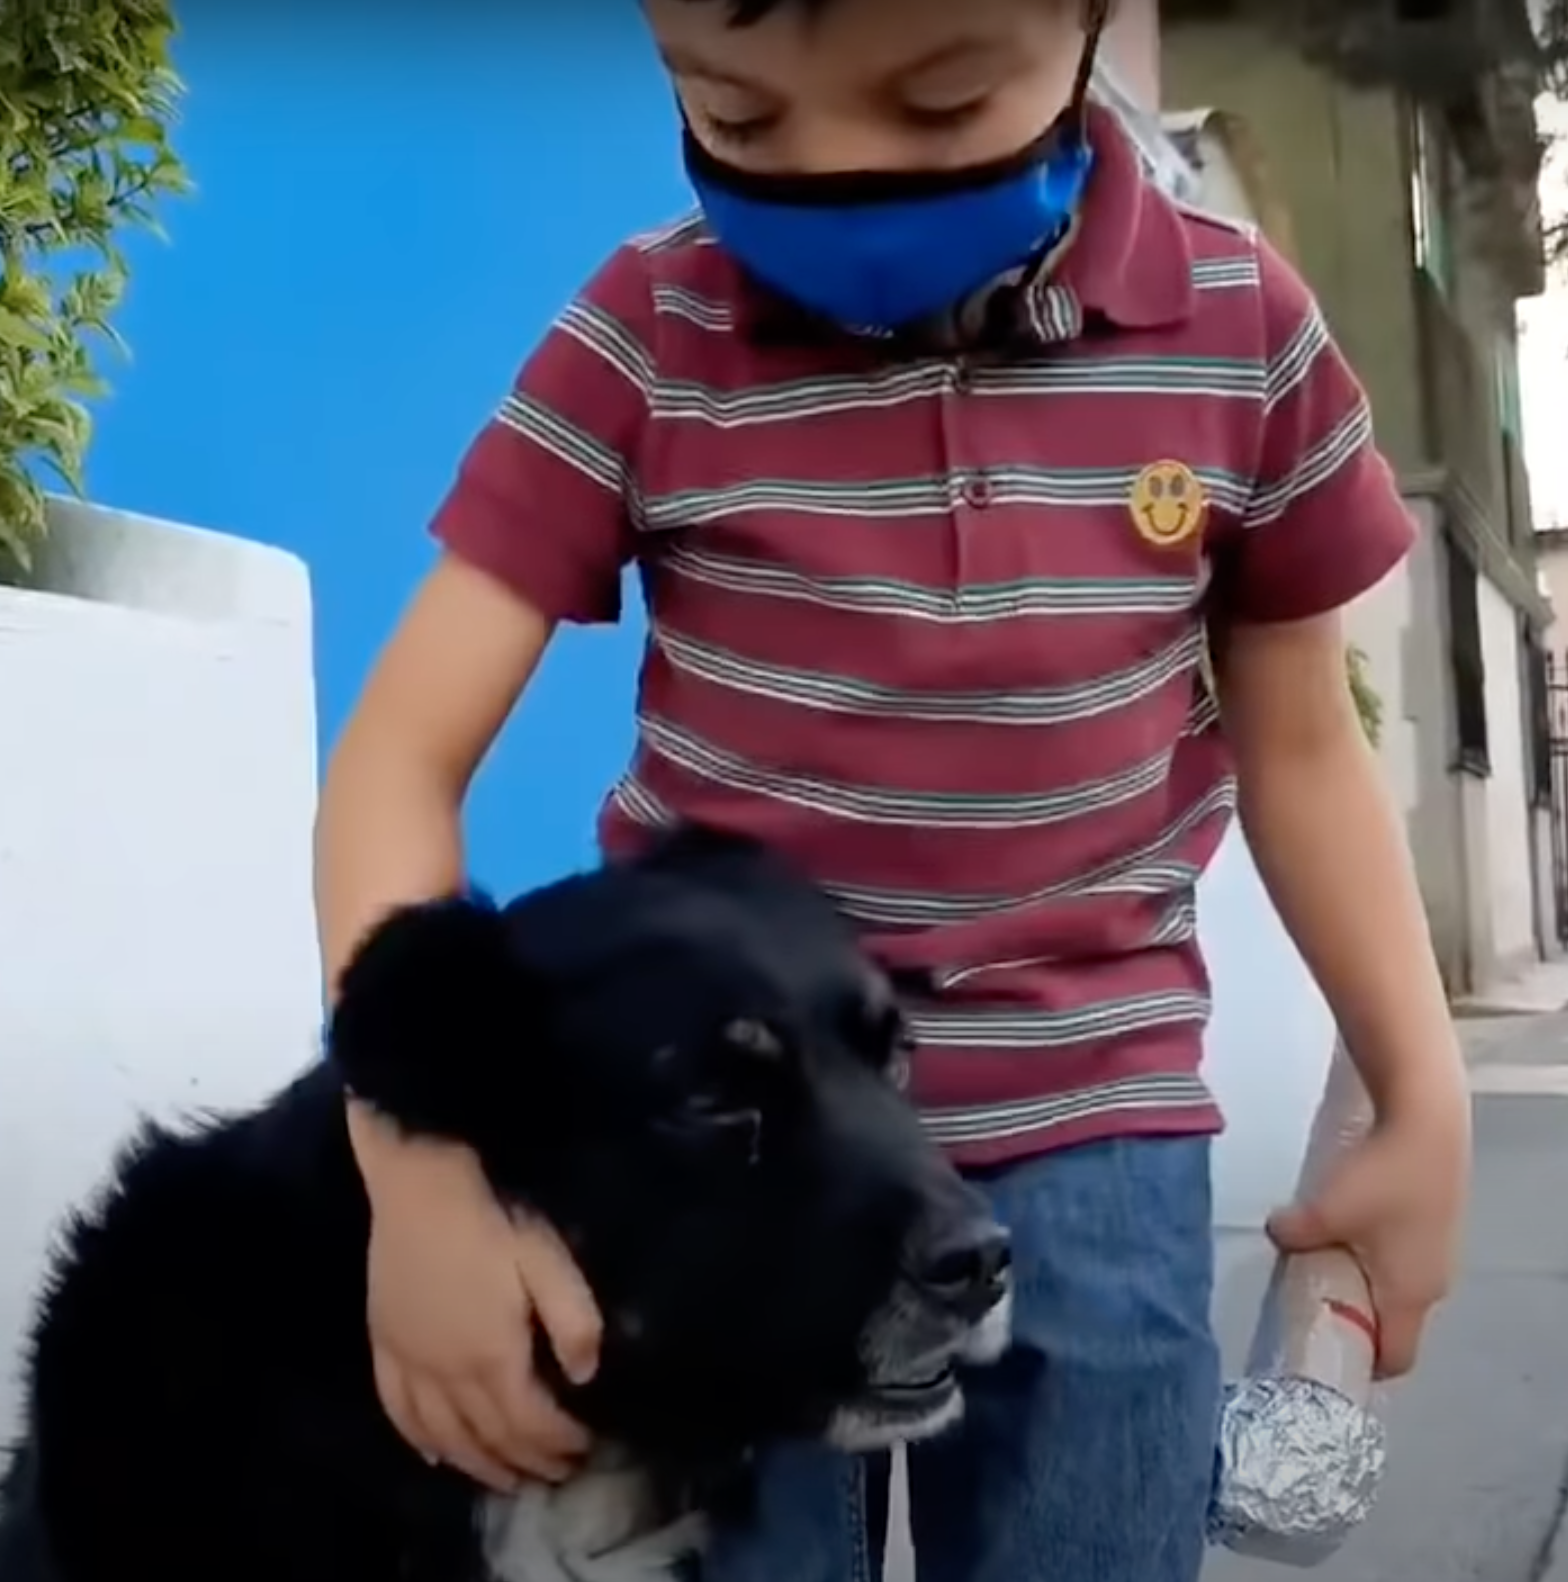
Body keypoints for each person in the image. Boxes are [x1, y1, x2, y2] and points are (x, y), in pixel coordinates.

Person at [312, 0, 1472, 1576]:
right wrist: (422, 1174)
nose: (840, 171)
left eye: (936, 107)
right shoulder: (648, 333)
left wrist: (1422, 1095)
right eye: (739, 116)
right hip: (730, 1151)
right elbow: (397, 762)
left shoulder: (1239, 332)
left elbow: (1306, 748)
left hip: (1091, 1108)